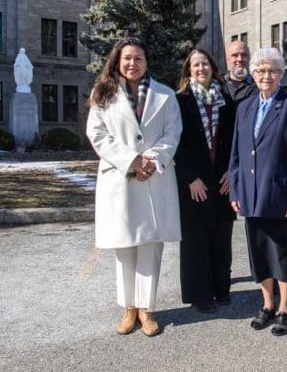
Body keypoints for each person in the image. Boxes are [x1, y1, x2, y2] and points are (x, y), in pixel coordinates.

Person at [86, 37, 182, 337]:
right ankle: (129, 308)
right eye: (127, 58)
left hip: (154, 179)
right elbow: (97, 134)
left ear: (146, 61)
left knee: (150, 248)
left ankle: (147, 308)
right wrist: (132, 161)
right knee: (125, 247)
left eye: (138, 58)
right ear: (117, 61)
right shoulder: (104, 94)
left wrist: (151, 161)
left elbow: (173, 132)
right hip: (121, 180)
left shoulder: (165, 95)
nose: (132, 63)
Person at [228, 48, 287, 336]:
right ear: (253, 74)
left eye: (272, 70)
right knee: (260, 252)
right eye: (261, 70)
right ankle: (267, 304)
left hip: (280, 194)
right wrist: (235, 191)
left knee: (283, 253)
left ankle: (285, 307)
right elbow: (236, 154)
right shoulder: (244, 108)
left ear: (281, 74)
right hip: (250, 193)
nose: (266, 75)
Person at [174, 49, 236, 314]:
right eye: (196, 65)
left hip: (221, 179)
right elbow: (173, 143)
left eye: (206, 64)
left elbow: (236, 140)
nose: (201, 68)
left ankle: (221, 288)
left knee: (221, 237)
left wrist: (232, 172)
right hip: (193, 182)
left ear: (213, 68)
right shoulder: (180, 101)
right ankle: (200, 294)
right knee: (196, 240)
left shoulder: (225, 99)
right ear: (189, 71)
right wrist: (189, 178)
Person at [220, 40, 256, 108]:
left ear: (249, 58)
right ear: (227, 59)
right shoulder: (218, 84)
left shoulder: (258, 86)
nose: (240, 59)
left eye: (244, 55)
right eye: (235, 55)